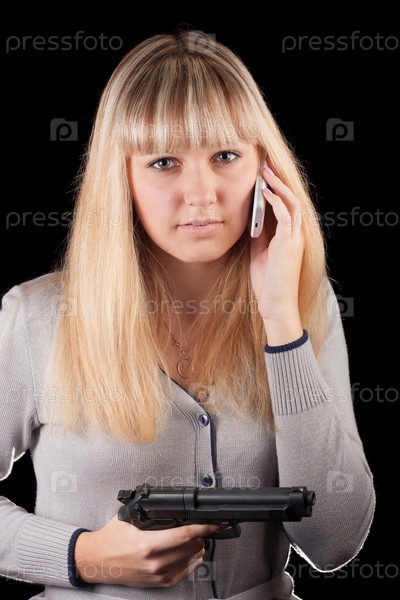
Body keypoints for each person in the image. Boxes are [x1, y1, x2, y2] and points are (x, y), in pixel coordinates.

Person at [0, 28, 375, 600]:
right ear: (121, 178)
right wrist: (81, 555)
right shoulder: (36, 318)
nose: (201, 194)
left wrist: (280, 321)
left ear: (265, 169)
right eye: (163, 162)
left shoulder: (303, 304)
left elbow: (334, 542)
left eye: (225, 156)